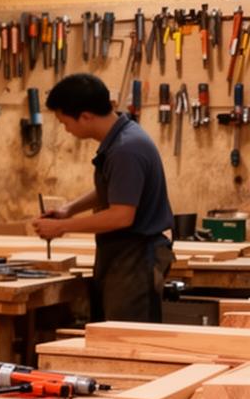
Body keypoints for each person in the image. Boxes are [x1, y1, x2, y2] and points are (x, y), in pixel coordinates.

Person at [34, 72, 173, 323]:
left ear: (86, 116)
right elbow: (115, 190)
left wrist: (61, 227)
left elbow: (121, 215)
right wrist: (69, 210)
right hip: (123, 255)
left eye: (66, 123)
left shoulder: (126, 149)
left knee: (125, 342)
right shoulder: (123, 137)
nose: (66, 130)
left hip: (136, 258)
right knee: (110, 333)